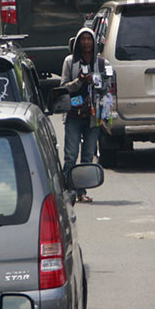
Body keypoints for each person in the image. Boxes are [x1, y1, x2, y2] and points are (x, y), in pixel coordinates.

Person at [60, 27, 113, 202]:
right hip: (73, 115)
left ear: (94, 42)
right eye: (82, 39)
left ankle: (81, 192)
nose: (86, 42)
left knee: (88, 155)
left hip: (93, 116)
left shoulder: (101, 63)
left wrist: (94, 80)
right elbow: (64, 87)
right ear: (77, 42)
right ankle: (69, 190)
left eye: (89, 39)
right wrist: (80, 81)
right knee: (70, 155)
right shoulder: (70, 62)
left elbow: (107, 86)